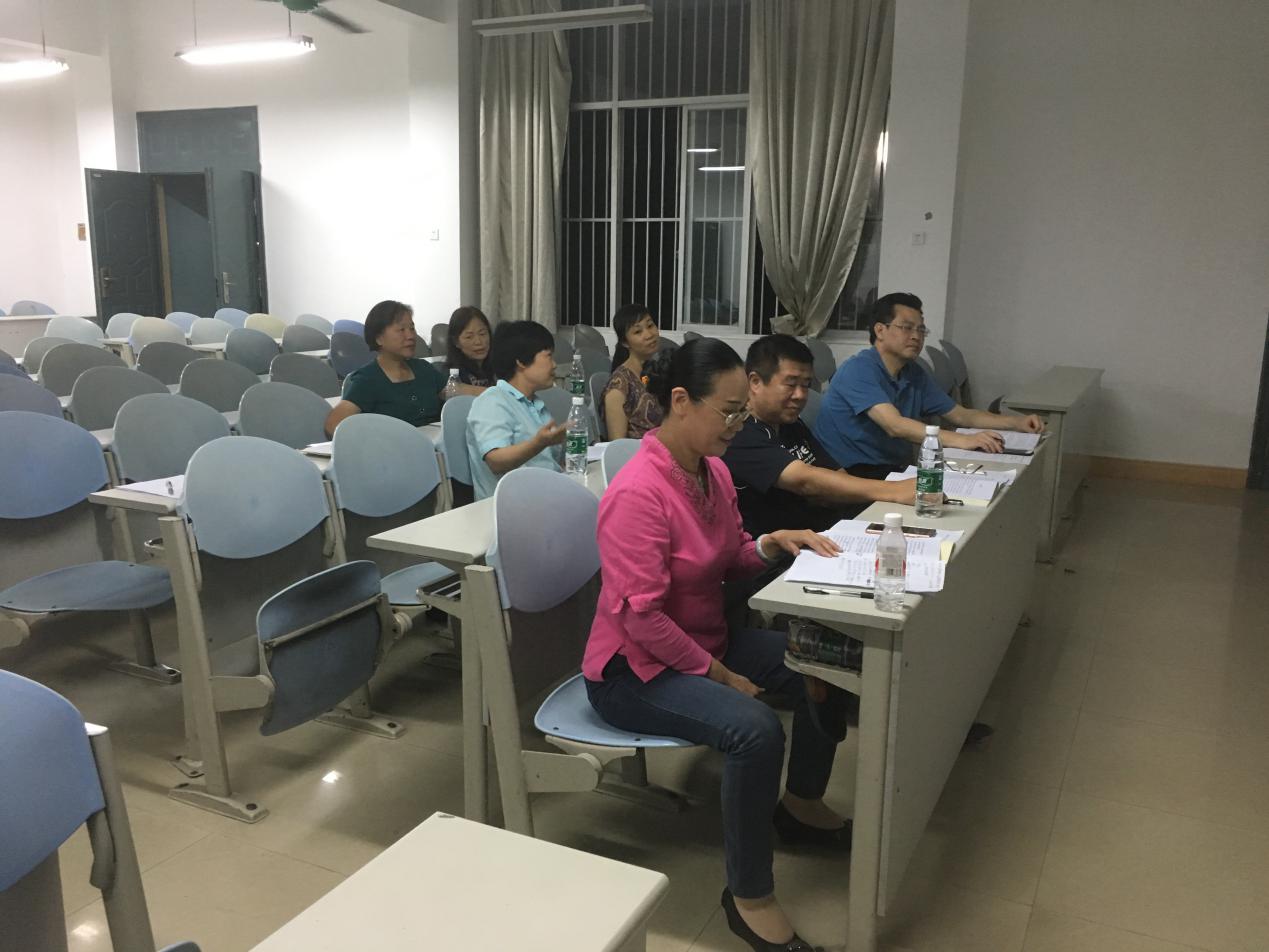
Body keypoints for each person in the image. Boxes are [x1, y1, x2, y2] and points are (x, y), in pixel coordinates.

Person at [583, 338, 849, 952]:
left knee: (824, 664)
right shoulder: (638, 492)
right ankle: (749, 897)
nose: (737, 424)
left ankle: (801, 805)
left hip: (704, 640)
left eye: (741, 412)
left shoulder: (714, 470)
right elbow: (642, 620)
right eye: (729, 411)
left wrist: (771, 543)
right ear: (681, 401)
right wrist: (722, 677)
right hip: (633, 670)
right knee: (754, 729)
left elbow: (730, 558)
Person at [814, 292, 1044, 478]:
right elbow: (895, 425)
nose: (916, 336)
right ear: (880, 330)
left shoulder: (913, 372)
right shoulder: (858, 369)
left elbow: (961, 415)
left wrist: (1016, 423)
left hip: (891, 469)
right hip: (852, 473)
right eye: (907, 327)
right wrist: (964, 440)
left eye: (921, 329)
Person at [725, 334, 919, 538]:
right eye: (791, 384)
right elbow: (806, 481)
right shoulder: (739, 432)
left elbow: (835, 475)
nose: (800, 395)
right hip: (785, 545)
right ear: (755, 382)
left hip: (825, 529)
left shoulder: (788, 422)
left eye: (805, 385)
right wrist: (894, 491)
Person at [466, 320, 565, 500]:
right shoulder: (492, 401)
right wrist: (539, 443)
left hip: (545, 497)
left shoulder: (536, 404)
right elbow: (495, 460)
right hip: (509, 505)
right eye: (548, 356)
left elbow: (551, 465)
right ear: (521, 362)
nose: (554, 365)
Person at [325, 300, 445, 436]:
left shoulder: (423, 369)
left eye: (412, 328)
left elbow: (454, 393)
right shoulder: (367, 380)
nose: (411, 336)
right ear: (379, 338)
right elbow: (333, 425)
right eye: (401, 330)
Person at [601, 303, 665, 439]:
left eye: (650, 326)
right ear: (625, 343)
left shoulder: (657, 370)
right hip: (641, 451)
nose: (649, 335)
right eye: (638, 332)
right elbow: (617, 443)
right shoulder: (619, 385)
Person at [444, 305, 495, 395]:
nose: (478, 342)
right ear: (456, 342)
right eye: (469, 337)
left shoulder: (498, 367)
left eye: (482, 334)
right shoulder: (452, 375)